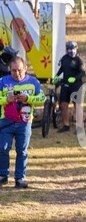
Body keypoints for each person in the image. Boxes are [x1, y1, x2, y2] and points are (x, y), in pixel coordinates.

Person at [0, 56, 46, 188]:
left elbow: (42, 99)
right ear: (9, 69)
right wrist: (6, 99)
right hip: (6, 121)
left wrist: (28, 98)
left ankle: (19, 178)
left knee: (22, 151)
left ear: (25, 68)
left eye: (19, 70)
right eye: (13, 70)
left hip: (24, 122)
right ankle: (2, 176)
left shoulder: (33, 82)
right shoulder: (3, 81)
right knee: (2, 148)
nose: (16, 73)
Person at [52, 41, 85, 133]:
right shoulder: (64, 58)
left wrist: (75, 78)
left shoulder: (79, 60)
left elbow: (83, 72)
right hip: (65, 85)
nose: (72, 51)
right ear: (67, 50)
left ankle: (79, 127)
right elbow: (62, 68)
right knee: (63, 104)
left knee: (77, 105)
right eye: (70, 49)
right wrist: (56, 76)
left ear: (76, 49)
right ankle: (66, 125)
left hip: (76, 85)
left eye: (73, 49)